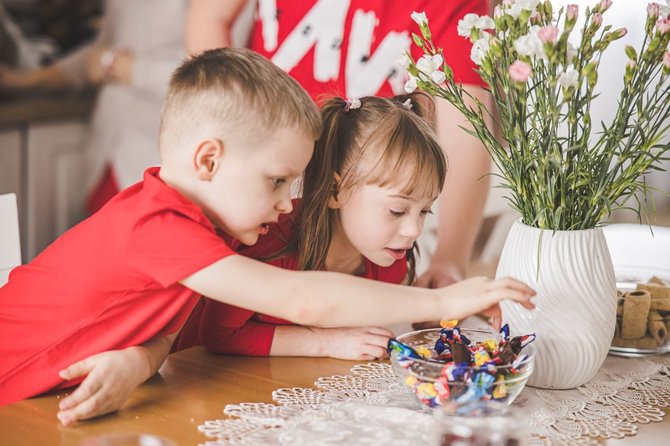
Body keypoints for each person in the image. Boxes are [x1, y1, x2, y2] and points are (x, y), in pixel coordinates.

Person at [0, 48, 536, 422]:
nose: (287, 202)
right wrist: (446, 297)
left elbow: (167, 332)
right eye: (276, 180)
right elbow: (297, 297)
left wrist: (136, 360)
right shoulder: (157, 223)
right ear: (208, 159)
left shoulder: (200, 236)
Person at [185, 0, 494, 290]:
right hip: (265, 171)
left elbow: (465, 130)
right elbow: (210, 18)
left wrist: (449, 259)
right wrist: (238, 137)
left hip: (369, 191)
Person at [174, 92, 447, 359]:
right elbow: (217, 335)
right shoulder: (268, 243)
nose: (414, 230)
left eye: (425, 210)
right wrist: (325, 343)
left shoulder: (391, 262)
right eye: (397, 210)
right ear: (334, 191)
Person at [0, 0, 188, 214]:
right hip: (105, 156)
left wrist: (124, 67)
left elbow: (212, 74)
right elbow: (98, 53)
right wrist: (23, 80)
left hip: (155, 153)